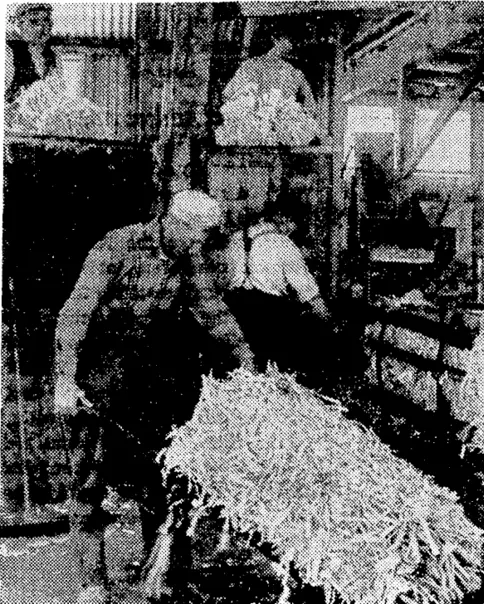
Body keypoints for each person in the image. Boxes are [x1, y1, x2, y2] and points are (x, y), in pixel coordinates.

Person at [54, 190, 254, 604]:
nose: (203, 247)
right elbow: (75, 315)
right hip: (101, 378)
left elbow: (214, 315)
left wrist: (249, 369)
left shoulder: (190, 261)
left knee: (158, 481)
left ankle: (157, 574)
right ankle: (92, 582)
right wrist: (66, 382)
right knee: (88, 483)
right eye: (200, 236)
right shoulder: (117, 247)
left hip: (149, 385)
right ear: (179, 224)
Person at [223, 204, 333, 384]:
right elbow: (308, 292)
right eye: (294, 225)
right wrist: (328, 321)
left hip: (235, 312)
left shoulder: (234, 239)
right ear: (285, 220)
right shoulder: (283, 243)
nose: (293, 231)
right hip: (268, 316)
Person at [214, 33, 318, 146]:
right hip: (251, 128)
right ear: (274, 39)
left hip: (278, 130)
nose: (291, 46)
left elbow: (310, 103)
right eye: (288, 41)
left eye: (293, 42)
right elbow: (227, 94)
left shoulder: (293, 71)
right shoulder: (249, 66)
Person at [5, 3, 56, 104]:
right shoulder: (10, 52)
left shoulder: (50, 55)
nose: (41, 28)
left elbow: (56, 92)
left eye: (46, 21)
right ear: (19, 25)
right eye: (33, 22)